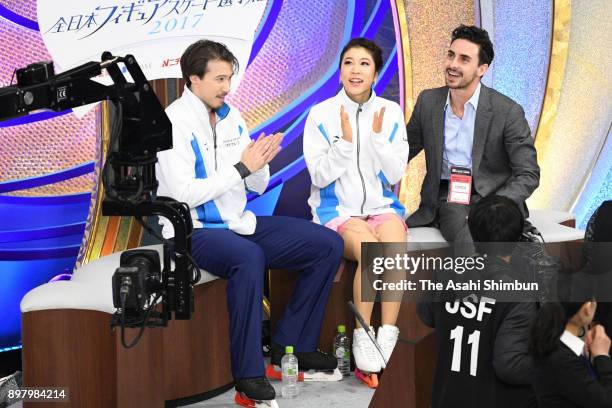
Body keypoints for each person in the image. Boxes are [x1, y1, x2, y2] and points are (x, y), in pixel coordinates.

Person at [155, 40, 343, 402]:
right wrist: (241, 167)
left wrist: (260, 161)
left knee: (327, 245)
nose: (226, 87)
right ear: (193, 78)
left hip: (239, 223)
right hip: (193, 231)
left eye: (229, 78)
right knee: (248, 258)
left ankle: (292, 346)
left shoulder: (233, 117)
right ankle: (248, 374)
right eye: (219, 79)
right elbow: (183, 195)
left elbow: (255, 182)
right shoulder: (173, 124)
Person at [303, 37, 409, 376]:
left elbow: (396, 173)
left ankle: (387, 333)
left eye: (364, 63)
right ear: (340, 71)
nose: (355, 70)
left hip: (382, 206)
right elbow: (318, 175)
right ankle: (363, 333)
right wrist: (345, 145)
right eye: (348, 62)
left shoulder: (390, 113)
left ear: (375, 73)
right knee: (374, 252)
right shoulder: (320, 115)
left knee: (394, 245)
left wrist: (377, 140)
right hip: (337, 212)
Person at [405, 25, 540, 247]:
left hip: (495, 199)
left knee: (482, 230)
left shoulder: (507, 111)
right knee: (467, 230)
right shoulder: (428, 102)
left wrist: (496, 205)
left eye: (464, 59)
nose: (453, 64)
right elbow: (402, 152)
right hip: (450, 198)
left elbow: (528, 173)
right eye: (450, 55)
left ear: (482, 69)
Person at [418, 195, 537, 407]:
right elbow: (509, 366)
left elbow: (426, 314)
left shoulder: (445, 273)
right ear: (518, 236)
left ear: (472, 231)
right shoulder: (519, 295)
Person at [530, 290, 612, 407]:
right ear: (587, 308)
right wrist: (602, 356)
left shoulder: (554, 345)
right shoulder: (562, 360)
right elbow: (606, 402)